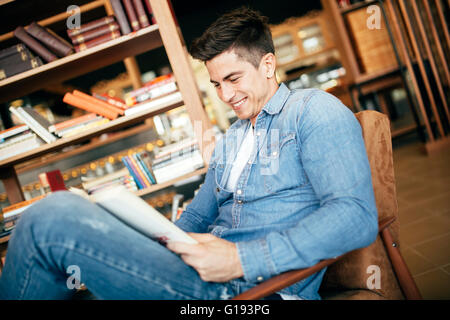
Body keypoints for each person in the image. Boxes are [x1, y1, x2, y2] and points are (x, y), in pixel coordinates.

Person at [0, 7, 378, 300]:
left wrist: (240, 259)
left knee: (51, 217)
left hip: (252, 291)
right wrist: (148, 242)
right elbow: (197, 215)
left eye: (233, 79)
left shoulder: (313, 111)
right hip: (198, 277)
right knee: (64, 224)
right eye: (216, 84)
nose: (225, 96)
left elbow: (355, 216)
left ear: (267, 64)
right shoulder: (232, 137)